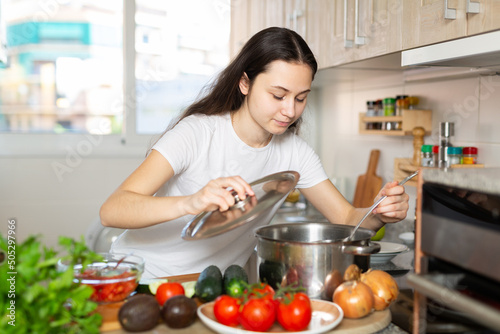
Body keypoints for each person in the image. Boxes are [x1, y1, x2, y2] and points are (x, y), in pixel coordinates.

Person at [100, 27, 410, 280]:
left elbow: (345, 219)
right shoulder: (197, 133)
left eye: (300, 98)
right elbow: (112, 209)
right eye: (278, 95)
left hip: (212, 286)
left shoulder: (295, 153)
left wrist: (377, 214)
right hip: (143, 278)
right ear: (245, 83)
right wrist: (190, 203)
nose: (289, 110)